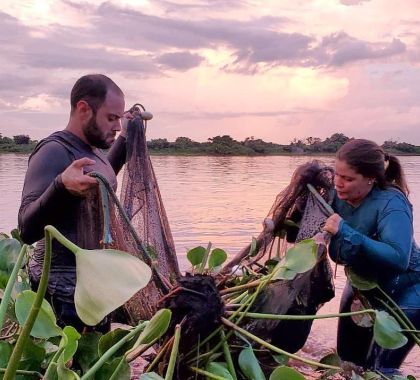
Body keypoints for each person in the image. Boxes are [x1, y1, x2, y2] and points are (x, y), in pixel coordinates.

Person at [18, 74, 132, 332]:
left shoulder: (93, 151)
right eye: (111, 118)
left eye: (120, 118)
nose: (116, 126)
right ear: (83, 109)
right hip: (62, 289)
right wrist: (60, 187)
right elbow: (26, 229)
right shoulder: (53, 151)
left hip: (93, 282)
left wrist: (125, 140)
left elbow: (102, 180)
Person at [323, 139, 420, 375]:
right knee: (348, 365)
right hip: (362, 285)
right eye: (337, 175)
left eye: (348, 179)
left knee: (381, 370)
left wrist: (346, 231)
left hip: (407, 290)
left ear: (371, 178)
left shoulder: (392, 202)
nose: (339, 183)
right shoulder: (335, 194)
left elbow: (398, 258)